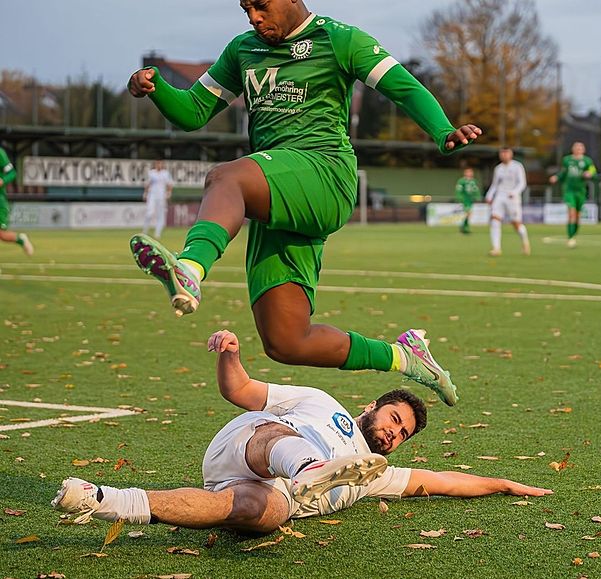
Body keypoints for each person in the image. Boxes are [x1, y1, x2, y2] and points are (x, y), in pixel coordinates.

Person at [125, 1, 481, 407]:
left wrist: (443, 131)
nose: (254, 17)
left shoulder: (341, 39)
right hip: (277, 190)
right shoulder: (243, 50)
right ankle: (406, 356)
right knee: (286, 341)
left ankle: (189, 268)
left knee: (225, 177)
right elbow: (193, 112)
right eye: (246, 9)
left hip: (324, 174)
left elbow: (403, 87)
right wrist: (156, 89)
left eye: (261, 5)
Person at [52, 330, 552, 533]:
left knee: (265, 512)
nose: (394, 435)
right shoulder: (321, 402)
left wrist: (505, 485)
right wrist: (230, 353)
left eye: (402, 436)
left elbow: (442, 481)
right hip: (252, 444)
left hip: (251, 489)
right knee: (279, 442)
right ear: (372, 407)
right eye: (394, 420)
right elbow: (241, 390)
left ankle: (103, 499)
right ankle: (309, 467)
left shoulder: (373, 473)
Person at [548, 141, 596, 247]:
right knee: (571, 213)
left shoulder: (587, 161)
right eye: (576, 148)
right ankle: (570, 238)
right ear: (573, 149)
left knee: (578, 216)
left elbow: (593, 171)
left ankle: (574, 234)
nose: (578, 150)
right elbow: (563, 172)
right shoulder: (567, 160)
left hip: (581, 191)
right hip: (569, 190)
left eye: (580, 148)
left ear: (583, 150)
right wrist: (556, 177)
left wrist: (589, 173)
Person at [485, 148, 529, 256]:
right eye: (502, 153)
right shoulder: (498, 168)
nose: (504, 155)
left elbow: (522, 183)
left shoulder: (517, 166)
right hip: (500, 196)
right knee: (495, 219)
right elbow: (495, 184)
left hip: (512, 197)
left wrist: (514, 192)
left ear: (511, 154)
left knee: (516, 224)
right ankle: (496, 248)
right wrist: (489, 195)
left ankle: (525, 240)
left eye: (506, 153)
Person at [0, 146, 33, 256]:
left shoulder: (0, 153)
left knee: (2, 235)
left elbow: (12, 173)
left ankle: (21, 239)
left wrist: (2, 180)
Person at [142, 159, 174, 239]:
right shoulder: (151, 173)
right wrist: (145, 193)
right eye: (157, 164)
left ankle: (157, 233)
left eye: (160, 164)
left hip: (161, 196)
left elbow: (170, 184)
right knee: (149, 213)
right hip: (152, 195)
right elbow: (147, 184)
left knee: (161, 215)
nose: (159, 165)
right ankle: (144, 231)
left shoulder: (165, 173)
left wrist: (169, 193)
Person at [454, 167, 480, 234]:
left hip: (470, 200)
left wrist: (477, 197)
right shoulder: (461, 181)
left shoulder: (473, 181)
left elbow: (476, 190)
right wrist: (460, 198)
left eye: (471, 172)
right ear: (465, 173)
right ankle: (464, 227)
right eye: (468, 172)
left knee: (468, 214)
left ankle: (464, 227)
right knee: (468, 213)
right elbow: (458, 190)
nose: (470, 173)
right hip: (464, 200)